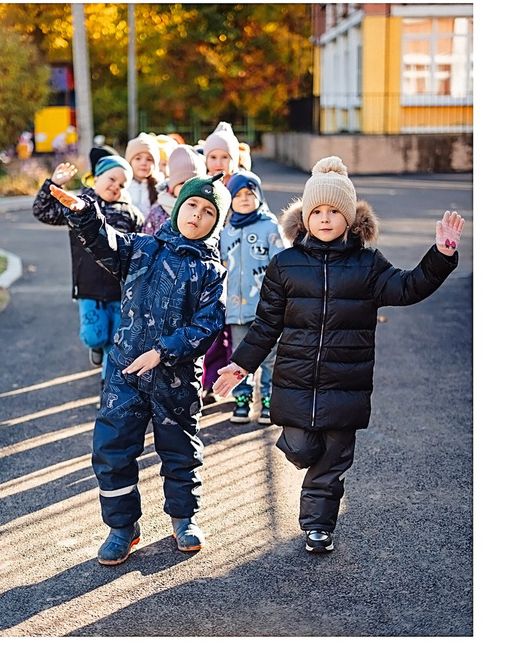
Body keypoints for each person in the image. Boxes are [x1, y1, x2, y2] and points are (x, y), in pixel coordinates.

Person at [215, 157, 464, 553]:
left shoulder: (368, 265)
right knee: (300, 448)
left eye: (334, 212)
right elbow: (265, 325)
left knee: (333, 460)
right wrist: (242, 364)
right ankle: (311, 480)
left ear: (349, 220)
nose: (326, 219)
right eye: (318, 212)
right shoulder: (285, 265)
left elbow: (408, 288)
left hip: (345, 383)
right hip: (296, 379)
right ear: (305, 218)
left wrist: (441, 255)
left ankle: (318, 526)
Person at [53, 175, 231, 564]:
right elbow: (107, 242)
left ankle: (184, 519)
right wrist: (86, 215)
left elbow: (206, 328)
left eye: (208, 213)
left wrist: (163, 353)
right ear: (178, 206)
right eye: (192, 207)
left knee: (180, 452)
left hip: (176, 381)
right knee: (112, 450)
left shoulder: (211, 271)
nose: (197, 217)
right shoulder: (143, 247)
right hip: (125, 375)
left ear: (216, 223)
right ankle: (122, 527)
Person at [36, 153, 142, 369]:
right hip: (88, 284)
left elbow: (140, 248)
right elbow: (43, 212)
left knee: (115, 342)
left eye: (122, 184)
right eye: (112, 179)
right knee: (94, 336)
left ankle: (107, 387)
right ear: (96, 177)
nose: (116, 186)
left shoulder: (130, 214)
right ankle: (96, 347)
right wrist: (53, 184)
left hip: (118, 288)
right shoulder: (77, 206)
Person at [213, 173, 283, 419]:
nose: (244, 199)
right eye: (237, 195)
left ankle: (268, 400)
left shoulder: (270, 226)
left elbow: (281, 264)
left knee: (270, 358)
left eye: (249, 194)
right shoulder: (226, 231)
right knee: (239, 357)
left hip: (266, 310)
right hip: (236, 309)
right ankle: (242, 399)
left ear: (259, 196)